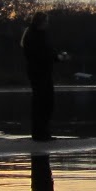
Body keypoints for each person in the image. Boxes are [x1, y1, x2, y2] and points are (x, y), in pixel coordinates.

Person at [20, 11, 62, 141]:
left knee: (44, 102)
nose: (47, 24)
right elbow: (41, 54)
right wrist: (57, 57)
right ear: (41, 22)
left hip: (40, 71)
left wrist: (56, 57)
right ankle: (40, 134)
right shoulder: (34, 35)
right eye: (46, 21)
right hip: (39, 72)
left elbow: (46, 52)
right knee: (43, 103)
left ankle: (42, 133)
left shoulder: (35, 34)